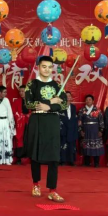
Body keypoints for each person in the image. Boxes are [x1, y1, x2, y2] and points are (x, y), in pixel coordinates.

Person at [24, 56, 68, 203]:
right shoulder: (32, 84)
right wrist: (51, 101)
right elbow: (29, 104)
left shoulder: (57, 85)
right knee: (35, 154)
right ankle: (36, 184)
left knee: (54, 156)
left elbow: (64, 104)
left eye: (50, 67)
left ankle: (52, 190)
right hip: (37, 120)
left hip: (52, 121)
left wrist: (48, 106)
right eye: (44, 66)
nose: (47, 69)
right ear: (38, 67)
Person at [78, 95, 105, 168]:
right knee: (86, 146)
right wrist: (80, 130)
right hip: (86, 130)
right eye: (87, 100)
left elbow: (101, 121)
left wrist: (101, 130)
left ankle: (96, 163)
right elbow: (79, 121)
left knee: (96, 146)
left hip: (95, 129)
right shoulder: (81, 110)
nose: (88, 101)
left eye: (90, 99)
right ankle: (87, 162)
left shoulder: (97, 110)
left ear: (93, 101)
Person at [12, 85, 30, 165]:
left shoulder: (31, 101)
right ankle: (19, 157)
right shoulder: (16, 101)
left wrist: (28, 115)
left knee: (28, 139)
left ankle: (29, 157)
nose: (21, 93)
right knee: (19, 139)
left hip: (29, 122)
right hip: (20, 123)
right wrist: (20, 116)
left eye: (23, 91)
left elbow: (34, 111)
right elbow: (14, 112)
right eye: (20, 91)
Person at [60, 91, 78, 166]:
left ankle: (71, 160)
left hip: (71, 129)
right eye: (66, 96)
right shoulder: (60, 107)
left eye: (69, 96)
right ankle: (62, 160)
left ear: (71, 98)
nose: (68, 97)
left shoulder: (73, 107)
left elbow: (74, 118)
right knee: (63, 144)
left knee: (71, 145)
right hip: (63, 128)